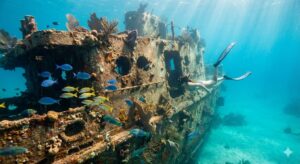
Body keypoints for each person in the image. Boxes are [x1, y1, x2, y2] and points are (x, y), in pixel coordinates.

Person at [183, 42, 252, 92]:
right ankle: (223, 77)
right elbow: (198, 84)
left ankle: (216, 67)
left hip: (209, 84)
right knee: (216, 80)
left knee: (214, 81)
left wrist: (208, 90)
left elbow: (200, 85)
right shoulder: (189, 82)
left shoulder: (188, 84)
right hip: (207, 82)